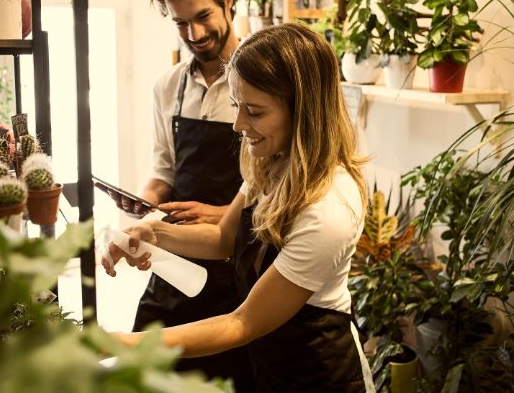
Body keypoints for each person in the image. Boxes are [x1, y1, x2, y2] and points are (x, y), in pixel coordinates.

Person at [103, 23, 376, 392]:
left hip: (318, 375)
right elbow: (222, 237)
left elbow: (241, 323)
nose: (238, 124)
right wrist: (152, 231)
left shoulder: (329, 210)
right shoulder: (273, 161)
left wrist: (124, 342)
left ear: (305, 111)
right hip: (270, 364)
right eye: (236, 105)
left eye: (255, 112)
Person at [108, 0, 251, 389]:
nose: (196, 33)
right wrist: (141, 208)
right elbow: (164, 172)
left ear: (228, 0)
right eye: (181, 24)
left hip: (241, 261)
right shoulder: (167, 86)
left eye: (203, 16)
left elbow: (280, 184)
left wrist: (222, 213)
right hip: (175, 261)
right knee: (148, 373)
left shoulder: (263, 80)